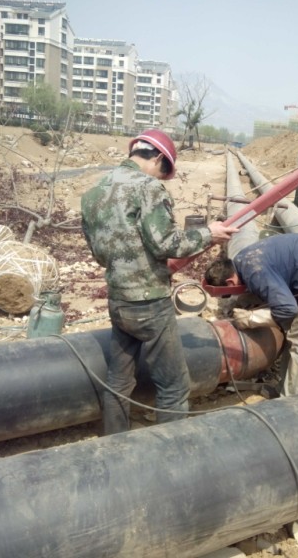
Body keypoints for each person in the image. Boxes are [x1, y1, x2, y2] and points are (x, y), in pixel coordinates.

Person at [81, 128, 238, 435]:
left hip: (119, 301)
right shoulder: (148, 188)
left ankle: (115, 443)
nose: (161, 177)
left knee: (119, 381)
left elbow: (100, 254)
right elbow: (165, 243)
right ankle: (168, 450)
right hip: (150, 303)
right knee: (174, 386)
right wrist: (209, 233)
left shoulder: (94, 193)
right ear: (156, 158)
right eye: (163, 171)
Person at [204, 233, 298, 397]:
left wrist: (252, 319)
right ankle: (283, 391)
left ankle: (291, 403)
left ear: (230, 282)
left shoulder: (254, 273)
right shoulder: (242, 261)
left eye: (228, 293)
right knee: (294, 333)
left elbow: (288, 309)